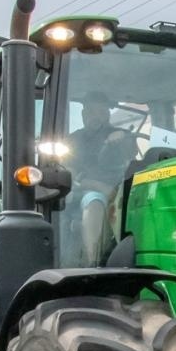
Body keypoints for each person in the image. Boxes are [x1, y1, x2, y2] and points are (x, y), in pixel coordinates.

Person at [67, 91, 138, 265]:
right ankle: (94, 261)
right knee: (94, 202)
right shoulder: (73, 140)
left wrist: (122, 140)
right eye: (91, 112)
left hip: (124, 189)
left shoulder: (121, 134)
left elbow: (132, 153)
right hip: (89, 193)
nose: (96, 117)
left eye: (101, 112)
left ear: (108, 114)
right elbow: (71, 177)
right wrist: (97, 186)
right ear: (83, 114)